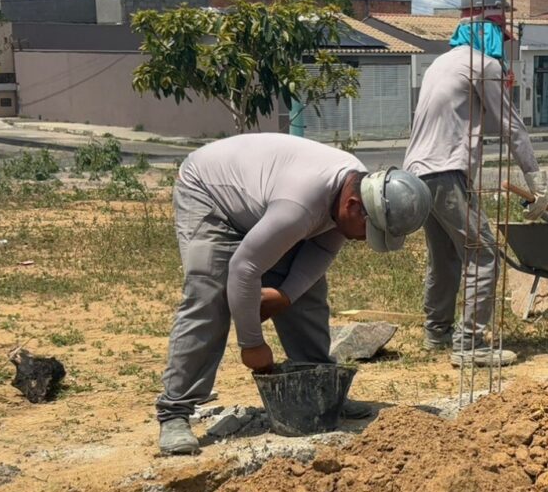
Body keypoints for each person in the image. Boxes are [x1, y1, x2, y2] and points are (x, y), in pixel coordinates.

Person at [157, 133, 430, 455]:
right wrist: (252, 345)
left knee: (306, 291)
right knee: (210, 294)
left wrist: (285, 294)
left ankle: (321, 390)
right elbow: (244, 270)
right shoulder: (300, 206)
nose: (362, 241)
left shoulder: (356, 187)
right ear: (352, 206)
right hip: (210, 193)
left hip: (264, 201)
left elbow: (321, 249)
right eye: (368, 231)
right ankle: (175, 412)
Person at [403, 0, 548, 368]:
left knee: (446, 258)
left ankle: (437, 332)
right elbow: (512, 127)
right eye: (503, 29)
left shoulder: (442, 62)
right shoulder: (484, 66)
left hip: (417, 177)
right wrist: (538, 183)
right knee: (484, 252)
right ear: (495, 25)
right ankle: (470, 344)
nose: (505, 37)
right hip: (447, 173)